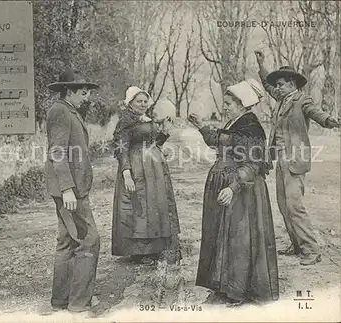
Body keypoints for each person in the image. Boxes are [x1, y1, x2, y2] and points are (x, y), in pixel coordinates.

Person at [188, 79, 279, 306]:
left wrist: (232, 187)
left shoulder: (251, 127)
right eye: (225, 102)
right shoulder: (235, 123)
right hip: (227, 185)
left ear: (242, 104)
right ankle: (224, 285)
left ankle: (238, 291)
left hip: (242, 191)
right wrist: (200, 125)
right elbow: (218, 140)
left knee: (239, 240)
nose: (225, 106)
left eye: (228, 103)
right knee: (223, 237)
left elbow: (254, 164)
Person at [255, 50, 341, 265]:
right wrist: (261, 63)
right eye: (278, 84)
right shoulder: (281, 99)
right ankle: (298, 246)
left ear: (292, 84)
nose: (278, 87)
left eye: (282, 84)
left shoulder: (302, 100)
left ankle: (312, 250)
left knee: (295, 206)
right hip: (280, 160)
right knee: (283, 205)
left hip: (295, 160)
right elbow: (267, 85)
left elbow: (316, 113)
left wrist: (330, 120)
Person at [44, 69, 101, 313]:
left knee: (67, 241)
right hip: (70, 191)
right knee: (89, 240)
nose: (86, 97)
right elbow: (57, 152)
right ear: (69, 91)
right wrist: (67, 189)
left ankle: (61, 300)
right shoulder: (60, 111)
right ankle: (79, 303)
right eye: (83, 92)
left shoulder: (69, 111)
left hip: (72, 188)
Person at [111, 86, 181, 266]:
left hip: (154, 168)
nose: (143, 104)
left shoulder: (147, 120)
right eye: (138, 101)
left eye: (145, 101)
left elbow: (154, 144)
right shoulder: (125, 121)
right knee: (139, 207)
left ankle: (154, 248)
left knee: (154, 206)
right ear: (130, 103)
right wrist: (126, 173)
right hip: (136, 167)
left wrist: (164, 131)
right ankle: (139, 251)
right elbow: (121, 149)